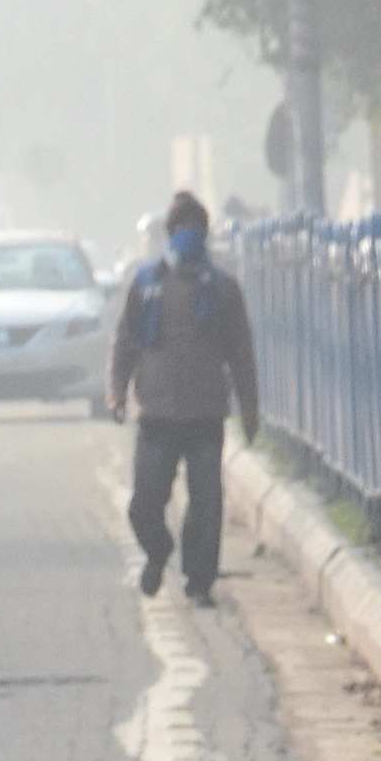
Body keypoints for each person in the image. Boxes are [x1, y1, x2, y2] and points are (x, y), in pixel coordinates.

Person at [108, 189, 261, 607]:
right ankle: (158, 552)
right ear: (169, 234)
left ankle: (199, 581)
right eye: (182, 230)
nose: (188, 238)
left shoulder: (223, 290)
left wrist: (249, 407)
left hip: (205, 413)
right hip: (156, 413)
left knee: (206, 505)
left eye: (195, 231)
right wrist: (117, 390)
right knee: (145, 504)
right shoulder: (145, 285)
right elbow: (125, 342)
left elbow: (241, 353)